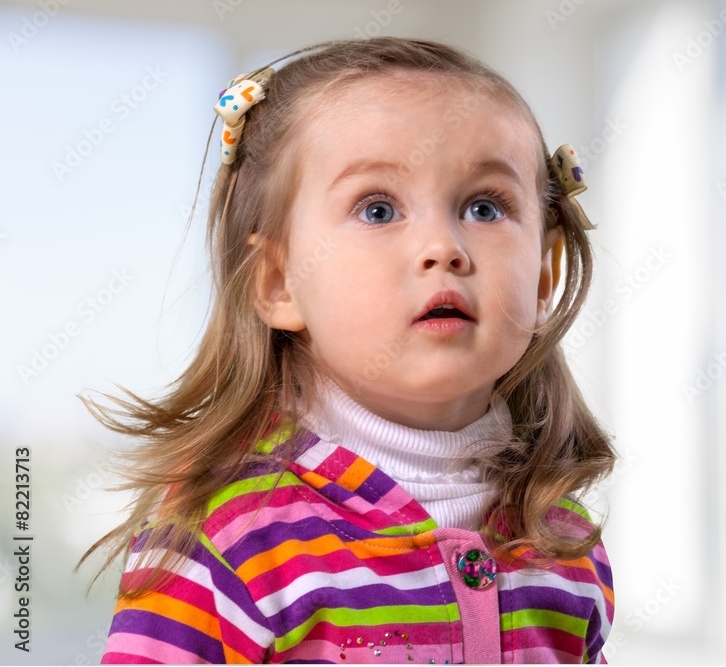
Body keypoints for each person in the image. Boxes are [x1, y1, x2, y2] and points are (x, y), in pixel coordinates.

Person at [86, 37, 616, 664]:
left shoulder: (565, 542)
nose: (442, 247)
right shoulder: (227, 539)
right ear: (278, 281)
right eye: (378, 209)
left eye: (484, 207)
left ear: (545, 274)